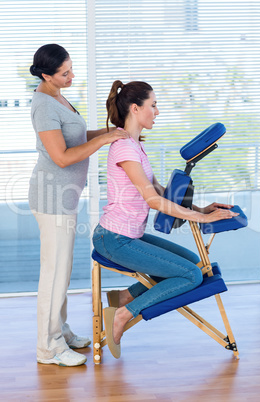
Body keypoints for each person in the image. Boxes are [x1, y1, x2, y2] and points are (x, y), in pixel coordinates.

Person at [92, 80, 239, 359]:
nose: (157, 111)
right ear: (136, 108)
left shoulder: (134, 144)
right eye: (153, 105)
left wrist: (202, 208)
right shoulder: (124, 147)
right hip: (113, 239)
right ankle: (123, 314)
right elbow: (153, 201)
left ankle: (123, 296)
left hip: (127, 235)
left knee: (197, 265)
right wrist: (196, 216)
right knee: (191, 275)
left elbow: (159, 190)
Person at [29, 44, 129, 367]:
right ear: (47, 75)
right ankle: (48, 347)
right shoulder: (44, 105)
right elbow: (61, 157)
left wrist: (110, 133)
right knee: (53, 274)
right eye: (65, 73)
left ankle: (61, 331)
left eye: (71, 69)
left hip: (65, 198)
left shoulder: (57, 95)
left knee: (64, 272)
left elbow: (76, 136)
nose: (71, 76)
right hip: (51, 199)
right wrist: (102, 141)